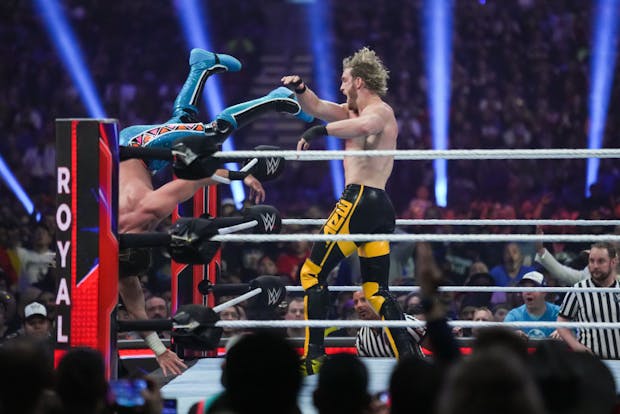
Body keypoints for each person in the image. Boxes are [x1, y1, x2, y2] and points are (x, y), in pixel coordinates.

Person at [117, 48, 312, 375]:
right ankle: (201, 66)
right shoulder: (115, 248)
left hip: (134, 143)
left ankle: (275, 99)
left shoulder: (149, 208)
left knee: (211, 134)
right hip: (145, 156)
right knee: (183, 123)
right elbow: (135, 307)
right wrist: (161, 352)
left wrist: (241, 174)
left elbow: (198, 175)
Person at [282, 46, 414, 374]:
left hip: (359, 202)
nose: (340, 88)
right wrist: (301, 88)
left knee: (311, 273)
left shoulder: (380, 112)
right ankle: (411, 362)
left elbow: (361, 128)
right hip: (378, 208)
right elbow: (315, 106)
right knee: (375, 291)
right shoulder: (349, 112)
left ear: (357, 82)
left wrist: (318, 132)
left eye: (344, 81)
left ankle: (313, 357)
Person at [557, 242, 620, 359]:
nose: (595, 266)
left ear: (613, 262)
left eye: (601, 261)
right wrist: (576, 346)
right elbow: (561, 322)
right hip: (591, 363)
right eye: (591, 261)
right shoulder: (578, 290)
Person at [353, 289, 427, 358]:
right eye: (355, 302)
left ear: (376, 300)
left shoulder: (405, 322)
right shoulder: (362, 335)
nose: (359, 305)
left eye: (364, 300)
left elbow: (436, 347)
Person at [504, 271, 560, 339]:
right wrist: (512, 335)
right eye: (525, 288)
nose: (528, 292)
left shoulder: (558, 313)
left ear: (544, 291)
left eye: (533, 287)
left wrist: (564, 333)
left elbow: (574, 333)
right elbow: (503, 338)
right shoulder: (514, 316)